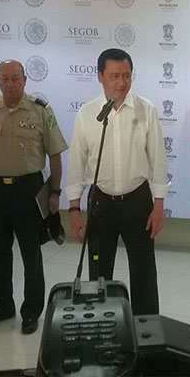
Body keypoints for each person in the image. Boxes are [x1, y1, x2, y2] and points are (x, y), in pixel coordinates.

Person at [66, 48, 168, 316]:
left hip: (138, 201)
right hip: (101, 203)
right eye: (114, 76)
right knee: (99, 272)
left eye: (126, 75)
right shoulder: (87, 114)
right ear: (100, 76)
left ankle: (146, 327)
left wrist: (159, 206)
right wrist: (74, 209)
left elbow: (158, 161)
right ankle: (103, 322)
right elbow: (76, 164)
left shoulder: (146, 110)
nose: (121, 82)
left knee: (144, 271)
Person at [0, 60, 67, 335]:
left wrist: (55, 192)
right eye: (5, 79)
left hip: (28, 191)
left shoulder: (41, 110)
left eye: (16, 78)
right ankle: (3, 305)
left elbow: (55, 154)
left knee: (31, 253)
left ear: (25, 80)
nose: (10, 84)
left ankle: (32, 310)